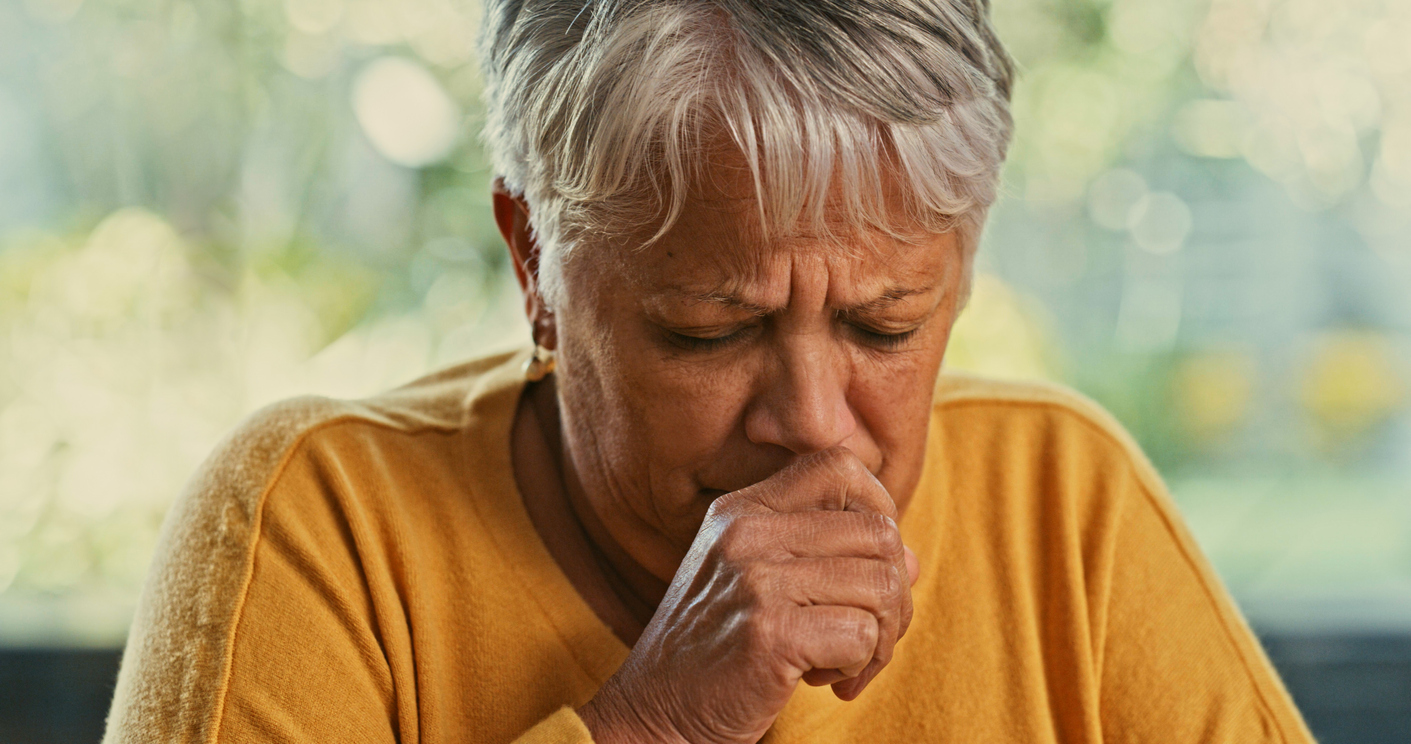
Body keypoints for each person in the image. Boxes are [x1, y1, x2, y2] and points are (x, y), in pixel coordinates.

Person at [103, 0, 1315, 742]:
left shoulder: (1067, 499)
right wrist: (657, 724)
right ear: (537, 265)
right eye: (708, 330)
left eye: (884, 327)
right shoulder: (319, 523)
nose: (817, 426)